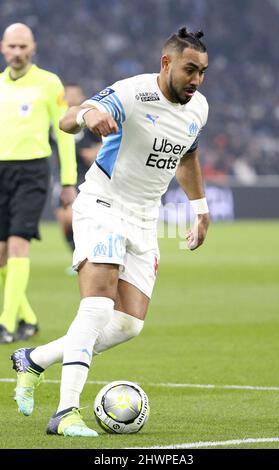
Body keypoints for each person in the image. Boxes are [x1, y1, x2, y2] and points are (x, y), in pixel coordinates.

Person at [11, 27, 210, 437]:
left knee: (127, 325)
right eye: (190, 69)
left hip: (144, 218)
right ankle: (65, 412)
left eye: (203, 72)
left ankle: (34, 360)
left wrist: (200, 207)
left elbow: (187, 155)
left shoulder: (198, 108)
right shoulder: (132, 93)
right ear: (166, 63)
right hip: (103, 205)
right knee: (98, 307)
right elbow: (68, 119)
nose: (196, 80)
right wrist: (87, 114)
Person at [0, 23, 77, 343]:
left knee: (18, 243)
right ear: (3, 48)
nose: (17, 52)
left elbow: (64, 133)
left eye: (23, 47)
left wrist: (69, 180)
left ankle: (5, 324)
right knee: (2, 254)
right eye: (12, 47)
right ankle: (28, 319)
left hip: (32, 172)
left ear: (33, 48)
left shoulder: (49, 83)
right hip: (1, 172)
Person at [53, 83, 101, 256]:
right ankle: (78, 256)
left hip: (85, 175)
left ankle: (86, 254)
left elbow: (107, 140)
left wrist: (95, 151)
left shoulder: (88, 120)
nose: (72, 98)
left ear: (82, 97)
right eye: (68, 95)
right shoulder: (56, 120)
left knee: (73, 216)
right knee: (63, 220)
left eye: (75, 94)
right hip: (63, 175)